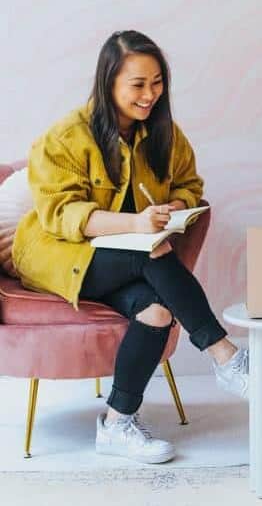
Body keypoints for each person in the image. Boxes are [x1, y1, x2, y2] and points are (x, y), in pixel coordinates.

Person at [13, 31, 248, 464]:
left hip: (127, 261)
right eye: (137, 84)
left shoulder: (164, 132)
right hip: (58, 255)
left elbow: (190, 185)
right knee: (152, 252)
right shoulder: (65, 136)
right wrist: (137, 225)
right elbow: (64, 215)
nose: (150, 95)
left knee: (156, 313)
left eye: (157, 82)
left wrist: (175, 207)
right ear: (108, 83)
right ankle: (225, 355)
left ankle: (118, 423)